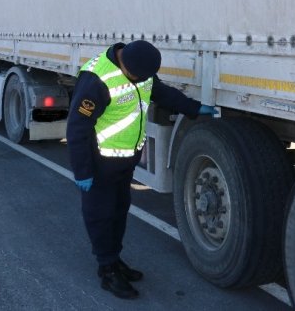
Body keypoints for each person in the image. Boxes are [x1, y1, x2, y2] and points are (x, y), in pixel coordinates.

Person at [67, 40, 217, 299]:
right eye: (138, 78)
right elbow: (77, 128)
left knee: (118, 211)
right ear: (126, 64)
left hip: (125, 163)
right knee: (100, 216)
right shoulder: (96, 80)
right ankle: (106, 269)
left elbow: (162, 93)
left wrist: (193, 108)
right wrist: (83, 171)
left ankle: (115, 259)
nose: (142, 82)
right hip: (100, 164)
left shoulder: (141, 69)